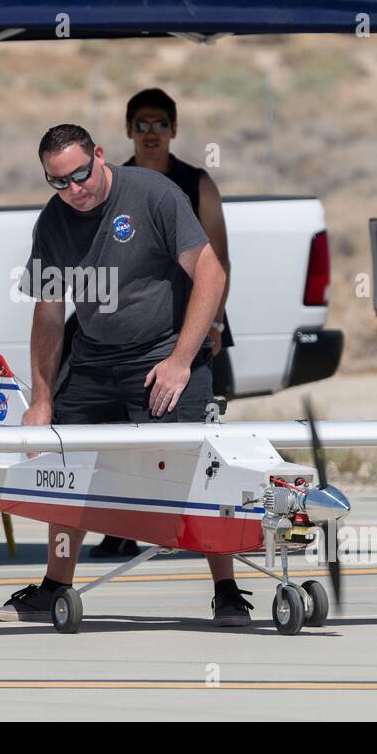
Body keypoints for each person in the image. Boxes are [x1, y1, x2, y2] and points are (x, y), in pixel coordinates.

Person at [0, 124, 257, 627]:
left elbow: (211, 273)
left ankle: (227, 590)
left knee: (196, 468)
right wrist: (41, 397)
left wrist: (180, 360)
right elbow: (48, 313)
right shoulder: (53, 222)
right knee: (66, 468)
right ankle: (54, 587)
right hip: (94, 358)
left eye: (81, 175)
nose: (74, 189)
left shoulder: (153, 195)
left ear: (100, 155)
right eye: (58, 182)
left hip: (162, 357)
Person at [90, 87, 236, 559]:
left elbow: (219, 259)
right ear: (128, 130)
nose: (151, 134)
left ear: (174, 130)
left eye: (160, 125)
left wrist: (211, 324)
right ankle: (119, 523)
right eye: (142, 125)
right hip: (119, 330)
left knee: (187, 433)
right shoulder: (109, 182)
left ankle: (189, 525)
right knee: (113, 433)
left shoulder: (197, 184)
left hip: (183, 332)